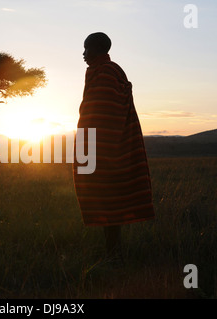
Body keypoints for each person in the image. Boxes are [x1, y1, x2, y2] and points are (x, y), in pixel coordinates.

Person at [73, 32, 155, 266]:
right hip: (102, 146)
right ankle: (113, 252)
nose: (83, 55)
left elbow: (104, 112)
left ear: (97, 49)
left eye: (86, 49)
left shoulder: (108, 73)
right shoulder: (101, 72)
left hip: (107, 148)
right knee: (105, 199)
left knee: (108, 198)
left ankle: (113, 254)